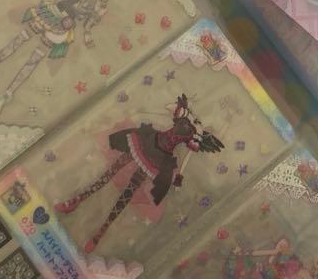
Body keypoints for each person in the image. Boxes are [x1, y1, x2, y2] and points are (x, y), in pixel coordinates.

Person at [54, 94, 224, 253]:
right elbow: (166, 108)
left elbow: (188, 154)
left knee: (129, 192)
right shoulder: (184, 115)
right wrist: (142, 112)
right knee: (111, 171)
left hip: (159, 158)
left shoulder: (197, 132)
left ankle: (101, 231)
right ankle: (77, 200)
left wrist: (180, 175)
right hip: (148, 140)